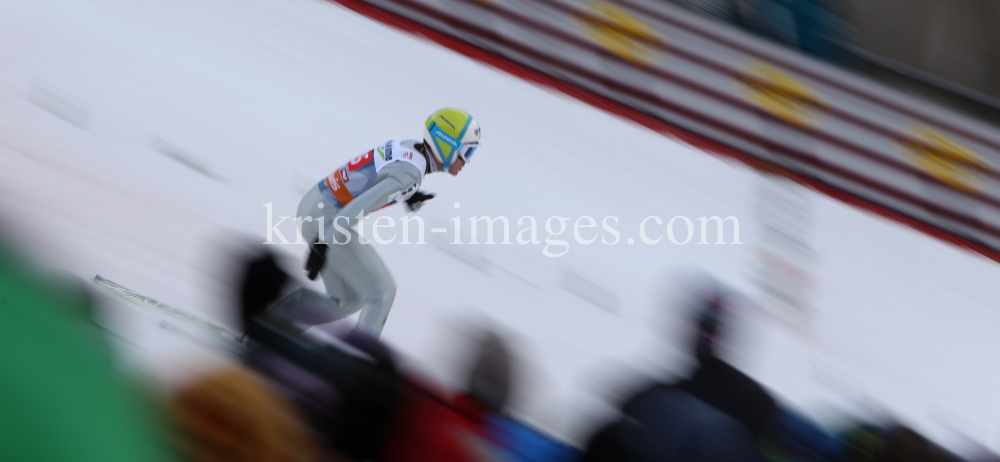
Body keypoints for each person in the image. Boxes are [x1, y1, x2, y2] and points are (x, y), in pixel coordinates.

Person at [267, 108, 481, 338]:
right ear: (447, 145)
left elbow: (379, 173)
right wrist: (323, 243)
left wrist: (406, 194)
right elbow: (362, 206)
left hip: (316, 206)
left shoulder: (411, 148)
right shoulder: (411, 174)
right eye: (466, 152)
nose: (467, 161)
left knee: (348, 300)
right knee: (383, 291)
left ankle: (269, 327)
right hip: (326, 220)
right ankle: (355, 366)